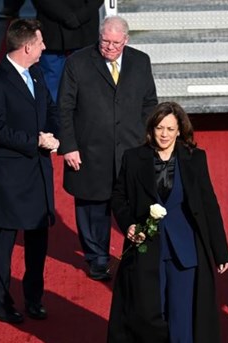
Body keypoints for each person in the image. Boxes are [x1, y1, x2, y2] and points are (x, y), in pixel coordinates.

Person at [108, 102, 228, 343]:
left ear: (180, 131)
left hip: (185, 252)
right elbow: (119, 197)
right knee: (152, 314)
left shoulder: (194, 159)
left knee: (182, 319)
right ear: (151, 129)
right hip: (148, 250)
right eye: (160, 128)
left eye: (170, 129)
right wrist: (129, 224)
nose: (164, 134)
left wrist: (220, 250)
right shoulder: (134, 158)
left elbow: (209, 203)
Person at [57, 15, 158, 281]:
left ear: (126, 40)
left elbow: (149, 103)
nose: (110, 47)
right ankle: (97, 259)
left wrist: (149, 140)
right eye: (105, 41)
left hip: (131, 149)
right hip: (90, 151)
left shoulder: (140, 61)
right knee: (92, 208)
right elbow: (64, 107)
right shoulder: (77, 62)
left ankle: (135, 255)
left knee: (134, 205)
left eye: (116, 43)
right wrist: (69, 146)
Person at [0, 19, 59, 324]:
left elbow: (50, 109)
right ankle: (1, 300)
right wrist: (34, 141)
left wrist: (54, 135)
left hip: (38, 170)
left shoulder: (36, 73)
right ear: (26, 47)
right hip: (11, 174)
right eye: (40, 43)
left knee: (38, 236)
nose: (44, 47)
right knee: (7, 237)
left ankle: (34, 297)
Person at [32, 0, 104, 100]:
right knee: (51, 84)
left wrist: (79, 16)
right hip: (54, 32)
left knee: (86, 84)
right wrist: (70, 16)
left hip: (83, 33)